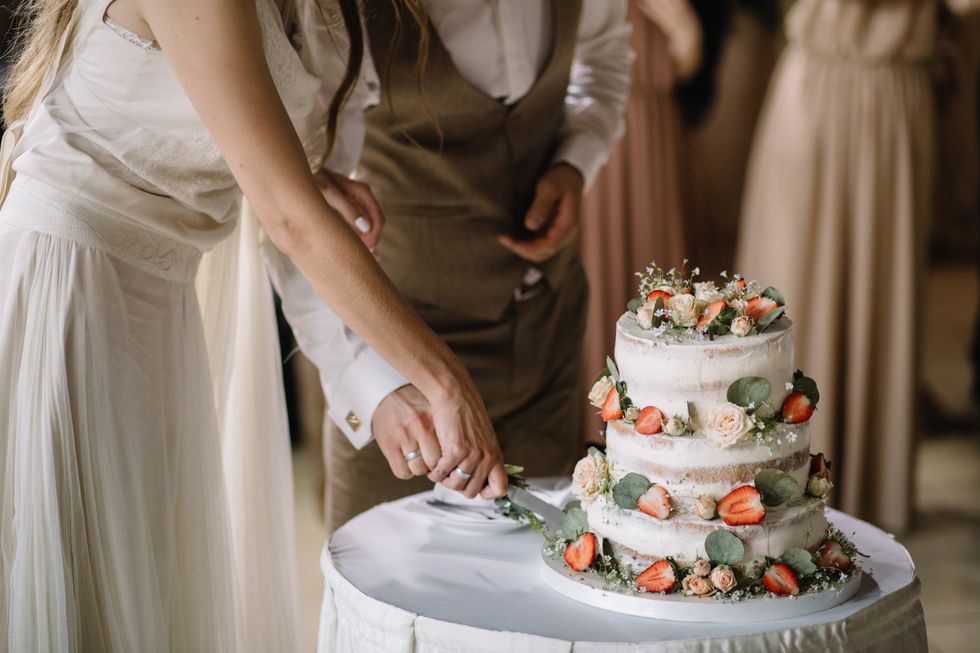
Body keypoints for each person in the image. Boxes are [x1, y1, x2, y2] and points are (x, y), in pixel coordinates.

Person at [0, 0, 506, 650]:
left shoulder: (326, 17)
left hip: (161, 310)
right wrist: (444, 377)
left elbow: (260, 169)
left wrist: (299, 179)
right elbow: (290, 217)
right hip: (72, 288)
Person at [311, 0, 633, 533]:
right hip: (401, 380)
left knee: (538, 591)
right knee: (387, 603)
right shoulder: (344, 12)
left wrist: (576, 160)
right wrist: (370, 384)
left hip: (546, 346)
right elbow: (298, 209)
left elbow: (604, 55)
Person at [736, 0, 979, 534]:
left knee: (879, 302)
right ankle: (767, 491)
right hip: (821, 81)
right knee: (797, 295)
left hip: (893, 90)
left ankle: (865, 493)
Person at [580, 0, 732, 442]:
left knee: (661, 291)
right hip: (591, 135)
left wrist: (686, 29)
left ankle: (662, 439)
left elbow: (690, 69)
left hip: (654, 133)